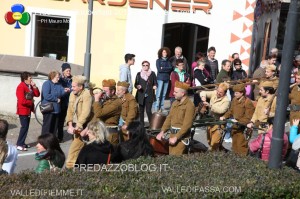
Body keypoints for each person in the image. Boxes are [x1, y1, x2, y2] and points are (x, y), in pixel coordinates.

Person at [156, 81, 195, 155]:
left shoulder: (189, 105)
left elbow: (187, 125)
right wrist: (162, 131)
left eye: (176, 92)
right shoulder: (175, 103)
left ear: (182, 93)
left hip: (181, 139)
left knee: (175, 161)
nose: (173, 93)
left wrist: (176, 137)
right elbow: (169, 118)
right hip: (172, 136)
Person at [65, 75, 93, 169]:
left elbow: (86, 112)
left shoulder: (86, 94)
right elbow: (69, 110)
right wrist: (69, 124)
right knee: (80, 149)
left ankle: (69, 168)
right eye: (71, 86)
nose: (71, 88)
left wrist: (79, 125)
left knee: (74, 149)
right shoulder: (72, 94)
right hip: (75, 125)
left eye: (74, 86)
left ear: (80, 87)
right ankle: (79, 168)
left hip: (84, 125)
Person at [220, 84, 255, 155]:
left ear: (242, 93)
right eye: (234, 93)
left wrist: (239, 122)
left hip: (243, 127)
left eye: (236, 93)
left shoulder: (247, 102)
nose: (235, 94)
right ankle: (236, 160)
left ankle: (243, 161)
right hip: (235, 126)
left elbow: (249, 117)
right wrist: (224, 116)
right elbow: (231, 111)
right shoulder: (234, 100)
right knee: (235, 145)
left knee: (241, 146)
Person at [200, 83, 230, 150]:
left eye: (220, 92)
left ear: (225, 93)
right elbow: (203, 92)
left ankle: (214, 157)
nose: (218, 93)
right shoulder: (215, 93)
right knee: (209, 141)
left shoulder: (226, 100)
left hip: (218, 124)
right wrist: (203, 97)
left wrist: (210, 106)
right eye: (218, 91)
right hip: (210, 121)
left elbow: (221, 110)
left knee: (214, 143)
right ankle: (223, 154)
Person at [92, 79, 122, 146]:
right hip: (101, 132)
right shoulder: (107, 100)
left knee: (110, 155)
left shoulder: (116, 103)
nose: (103, 93)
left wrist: (96, 100)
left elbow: (98, 114)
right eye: (103, 91)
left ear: (113, 91)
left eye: (105, 91)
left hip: (110, 134)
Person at [16, 72, 40, 151]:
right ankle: (19, 144)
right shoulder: (21, 87)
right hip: (23, 110)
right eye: (30, 78)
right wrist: (31, 102)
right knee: (24, 127)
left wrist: (34, 86)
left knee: (26, 127)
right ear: (25, 79)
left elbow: (37, 94)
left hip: (28, 110)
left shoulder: (29, 86)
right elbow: (22, 101)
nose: (31, 79)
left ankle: (22, 143)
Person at [41, 71, 67, 135]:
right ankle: (44, 142)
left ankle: (51, 141)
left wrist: (66, 91)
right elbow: (46, 95)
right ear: (52, 77)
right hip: (48, 109)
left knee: (54, 128)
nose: (58, 79)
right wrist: (56, 99)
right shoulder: (47, 83)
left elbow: (61, 92)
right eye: (57, 77)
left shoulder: (59, 85)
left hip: (56, 109)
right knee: (47, 127)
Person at [134, 61, 157, 126]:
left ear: (149, 66)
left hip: (149, 94)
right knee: (141, 111)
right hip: (141, 95)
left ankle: (152, 124)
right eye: (143, 65)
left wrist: (155, 85)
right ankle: (141, 125)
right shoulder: (139, 74)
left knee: (148, 111)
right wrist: (137, 86)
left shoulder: (152, 73)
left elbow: (155, 82)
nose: (145, 66)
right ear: (142, 66)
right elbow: (135, 84)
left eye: (147, 65)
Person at [57, 63, 72, 142]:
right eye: (67, 71)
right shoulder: (60, 80)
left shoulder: (72, 79)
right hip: (61, 102)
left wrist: (70, 89)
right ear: (63, 71)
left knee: (64, 120)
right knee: (59, 121)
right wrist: (64, 90)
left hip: (69, 103)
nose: (69, 72)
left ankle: (60, 137)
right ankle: (59, 137)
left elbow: (74, 87)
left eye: (69, 70)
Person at [154, 47, 173, 112]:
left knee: (164, 94)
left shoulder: (168, 61)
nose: (165, 53)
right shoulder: (158, 61)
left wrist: (163, 68)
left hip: (166, 79)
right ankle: (156, 107)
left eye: (166, 52)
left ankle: (162, 107)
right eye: (164, 52)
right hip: (160, 78)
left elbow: (170, 69)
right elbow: (159, 69)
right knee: (158, 94)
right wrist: (166, 69)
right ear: (161, 53)